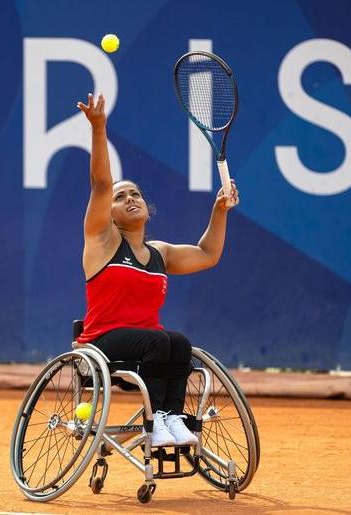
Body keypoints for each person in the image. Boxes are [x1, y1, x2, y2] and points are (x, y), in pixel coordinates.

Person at [75, 93, 239, 447]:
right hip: (103, 344)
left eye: (135, 194)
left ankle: (171, 418)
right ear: (110, 212)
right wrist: (99, 128)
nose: (130, 198)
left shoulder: (160, 252)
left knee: (178, 341)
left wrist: (220, 211)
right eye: (121, 197)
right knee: (161, 340)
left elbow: (207, 253)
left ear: (147, 207)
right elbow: (102, 184)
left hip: (152, 347)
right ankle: (156, 420)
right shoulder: (101, 241)